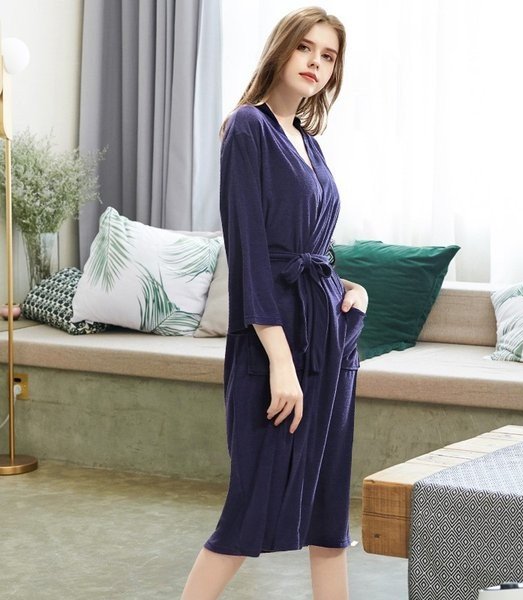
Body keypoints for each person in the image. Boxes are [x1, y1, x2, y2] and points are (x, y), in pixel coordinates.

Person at [181, 7, 368, 599]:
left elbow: (311, 244)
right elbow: (250, 253)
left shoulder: (308, 142)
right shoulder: (248, 128)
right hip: (274, 346)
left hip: (329, 336)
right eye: (306, 48)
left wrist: (348, 287)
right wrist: (280, 362)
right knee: (250, 507)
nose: (316, 62)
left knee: (329, 509)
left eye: (328, 56)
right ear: (281, 50)